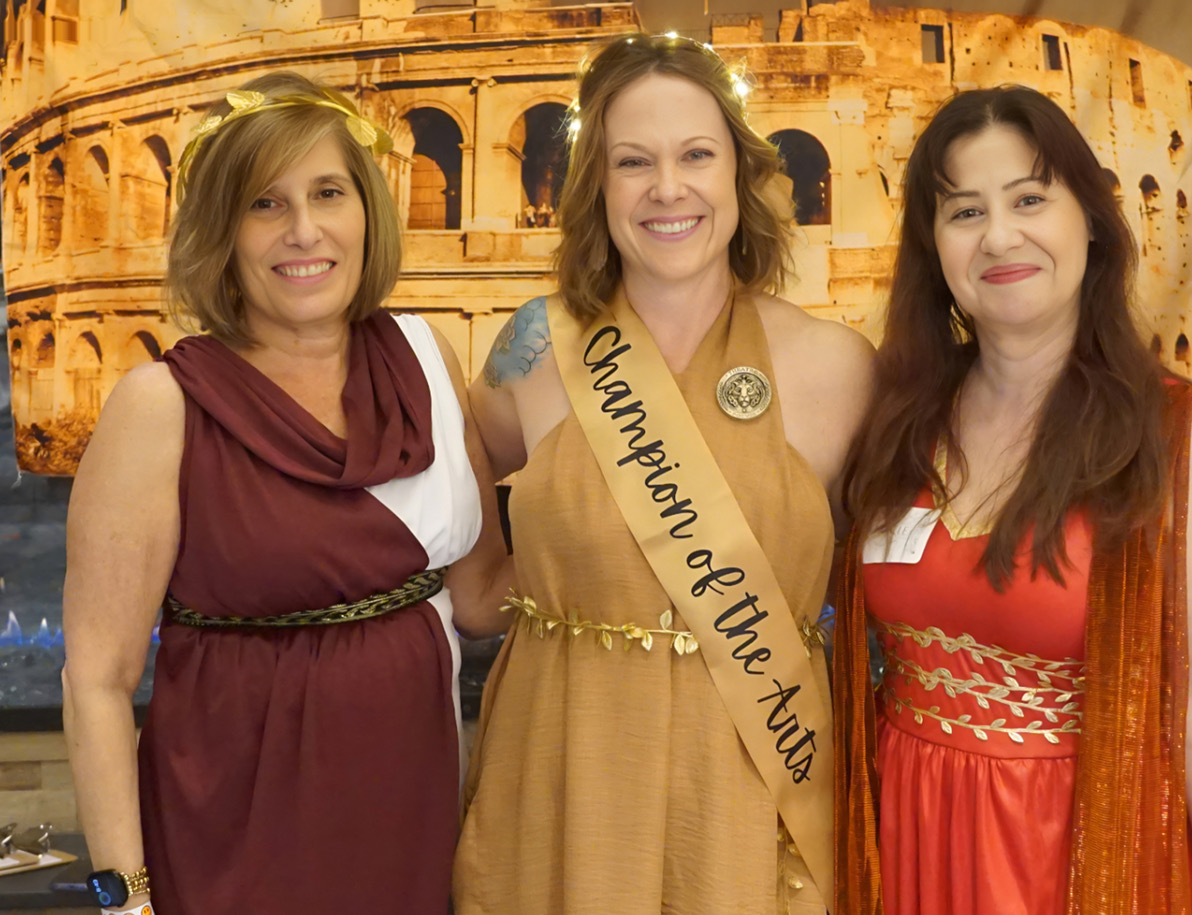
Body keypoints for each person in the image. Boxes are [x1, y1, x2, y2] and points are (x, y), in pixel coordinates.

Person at [60, 72, 510, 915]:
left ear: (366, 209)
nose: (303, 231)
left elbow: (483, 596)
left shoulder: (427, 356)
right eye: (264, 203)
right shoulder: (161, 404)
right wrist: (127, 900)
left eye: (328, 192)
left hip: (409, 810)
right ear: (220, 231)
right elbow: (97, 676)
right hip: (227, 828)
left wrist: (645, 558)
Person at [454, 32, 874, 915]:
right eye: (632, 161)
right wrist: (482, 586)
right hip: (563, 772)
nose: (667, 188)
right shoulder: (533, 352)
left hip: (753, 787)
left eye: (695, 155)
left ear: (738, 174)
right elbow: (451, 471)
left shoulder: (836, 367)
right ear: (596, 187)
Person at [834, 85, 1192, 914]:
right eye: (963, 211)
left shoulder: (1187, 440)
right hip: (908, 843)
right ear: (933, 248)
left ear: (1091, 220)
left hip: (1081, 858)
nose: (999, 236)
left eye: (1030, 198)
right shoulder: (896, 426)